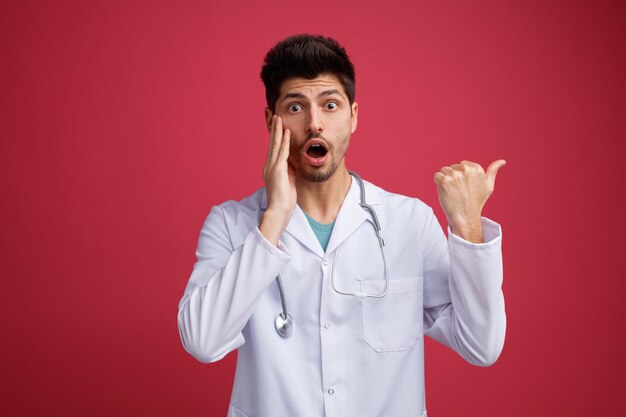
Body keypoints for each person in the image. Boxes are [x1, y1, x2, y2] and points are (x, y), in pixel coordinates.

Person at [177, 34, 506, 417]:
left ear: (353, 116)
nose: (315, 124)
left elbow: (482, 346)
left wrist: (467, 226)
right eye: (296, 107)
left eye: (330, 105)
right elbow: (202, 340)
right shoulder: (231, 224)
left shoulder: (409, 223)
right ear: (272, 121)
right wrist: (274, 220)